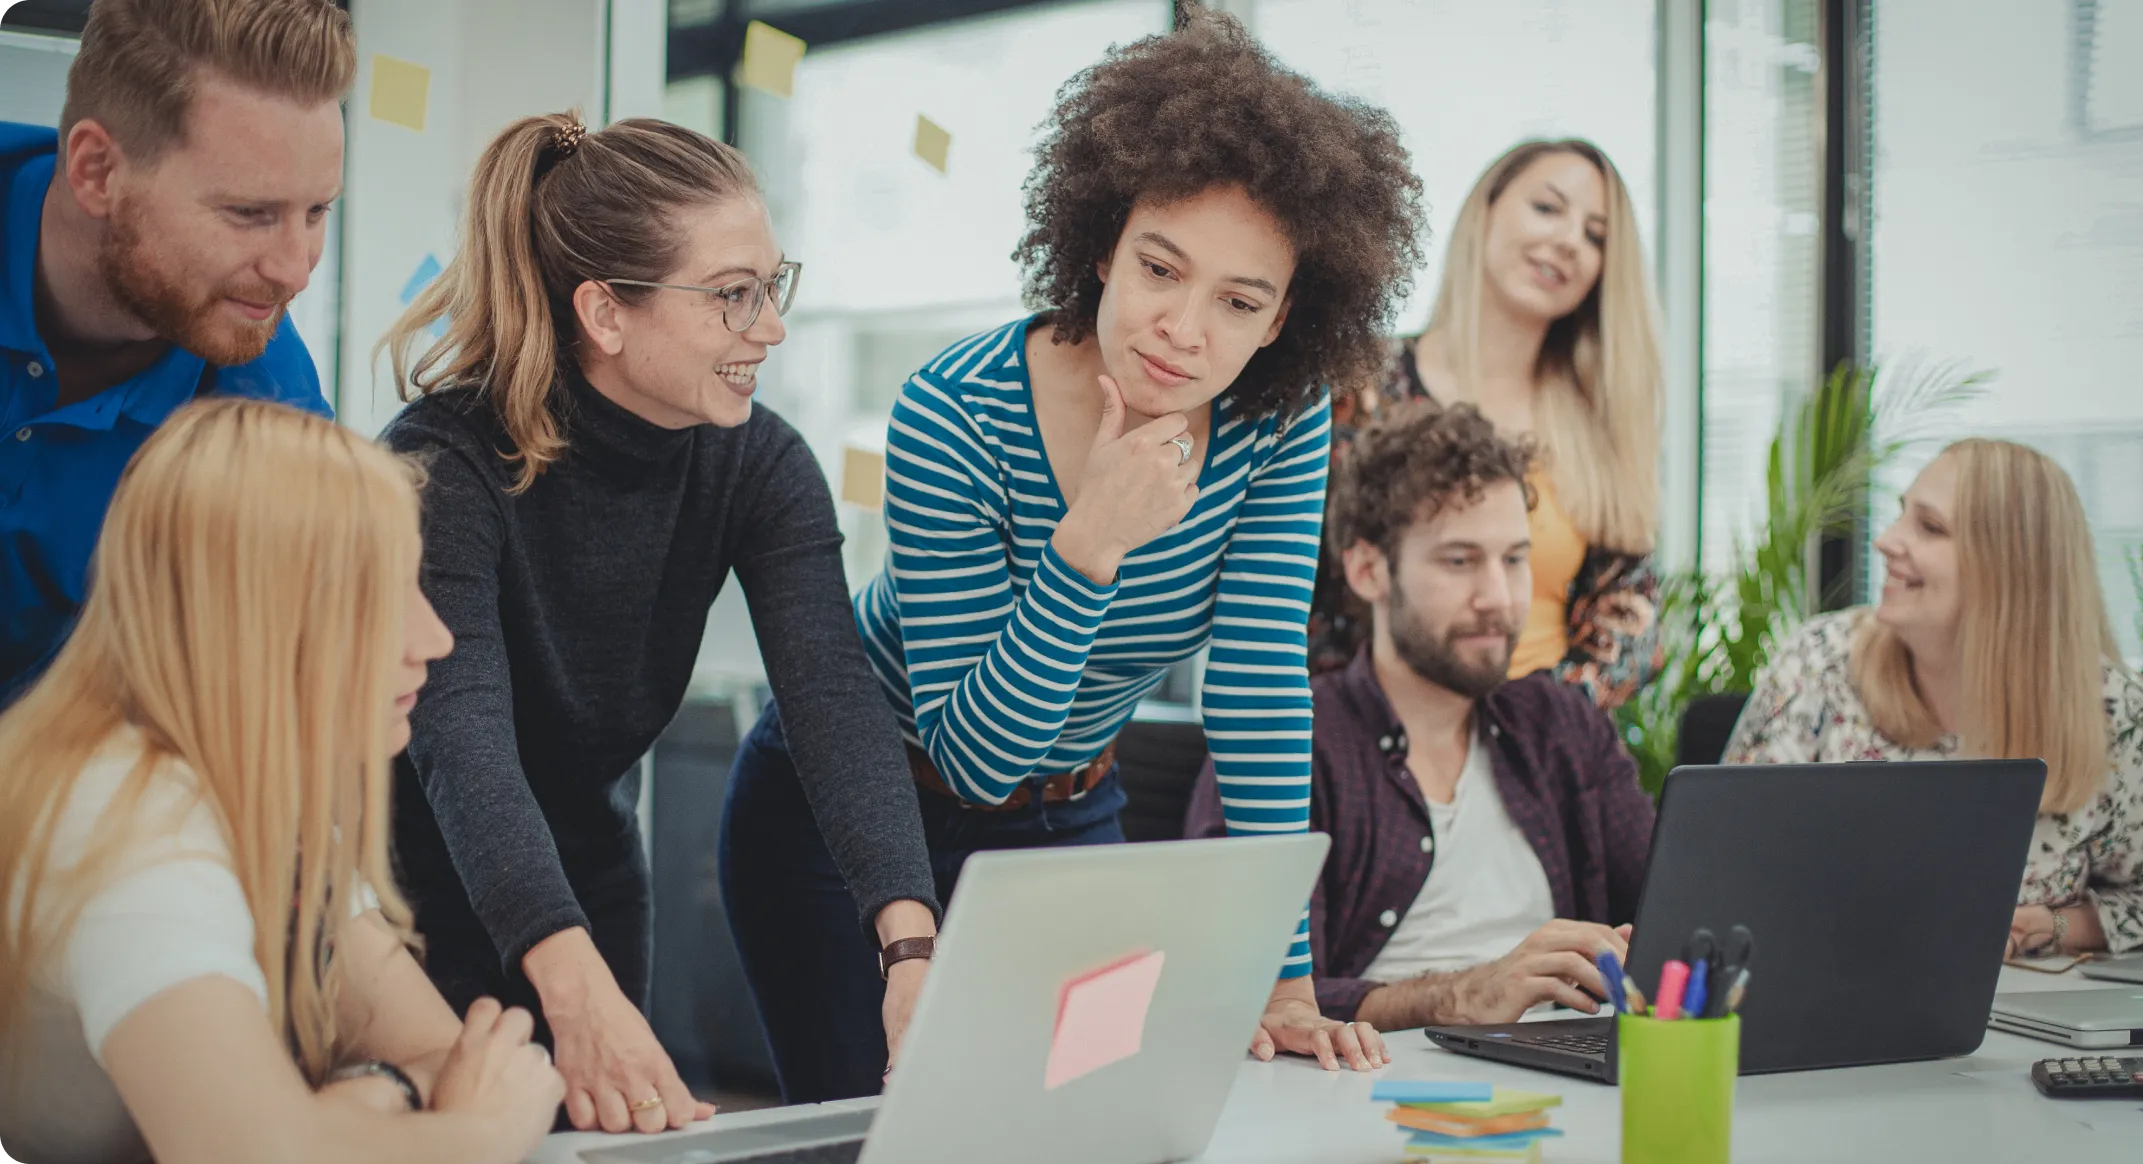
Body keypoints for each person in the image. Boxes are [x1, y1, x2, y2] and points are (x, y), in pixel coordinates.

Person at [719, 9, 1426, 1101]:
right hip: (854, 817)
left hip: (1071, 807)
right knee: (887, 1134)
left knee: (1071, 1120)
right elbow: (974, 758)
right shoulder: (952, 414)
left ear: (1286, 319)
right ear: (1101, 245)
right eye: (1160, 267)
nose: (1184, 329)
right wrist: (1088, 543)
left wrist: (1285, 976)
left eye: (1239, 302)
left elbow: (1253, 690)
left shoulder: (1278, 424)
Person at [379, 111, 941, 1134]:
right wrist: (571, 986)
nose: (770, 327)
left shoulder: (760, 463)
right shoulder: (445, 466)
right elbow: (462, 744)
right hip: (409, 899)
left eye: (773, 287)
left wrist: (909, 948)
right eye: (732, 296)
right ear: (604, 312)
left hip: (592, 876)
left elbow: (830, 696)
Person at [0, 399, 565, 1164]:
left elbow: (438, 1052)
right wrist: (481, 1134)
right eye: (382, 596)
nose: (435, 639)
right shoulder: (130, 818)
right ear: (262, 620)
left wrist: (362, 1095)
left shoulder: (251, 786)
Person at [1188, 400, 1652, 1028]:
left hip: (1571, 1076)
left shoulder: (1561, 727)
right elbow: (1239, 992)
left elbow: (1670, 915)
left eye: (1515, 559)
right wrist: (1462, 996)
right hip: (1361, 1090)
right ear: (1368, 568)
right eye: (1460, 561)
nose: (1498, 598)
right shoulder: (1282, 742)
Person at [1725, 439, 2143, 956]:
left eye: (1929, 527)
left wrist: (2047, 927)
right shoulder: (1817, 662)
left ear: (2010, 567)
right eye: (1901, 515)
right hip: (1814, 993)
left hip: (2026, 1014)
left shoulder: (2117, 716)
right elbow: (1724, 862)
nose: (1884, 541)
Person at [0, 0, 341, 702]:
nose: (296, 270)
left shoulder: (277, 423)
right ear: (97, 171)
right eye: (250, 213)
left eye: (316, 213)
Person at [1307, 140, 1665, 711]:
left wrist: (1532, 722)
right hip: (1370, 749)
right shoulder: (1362, 385)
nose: (1570, 240)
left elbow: (1634, 621)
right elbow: (1303, 591)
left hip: (1543, 754)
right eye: (1548, 208)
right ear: (1487, 209)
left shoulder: (1598, 423)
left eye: (1597, 235)